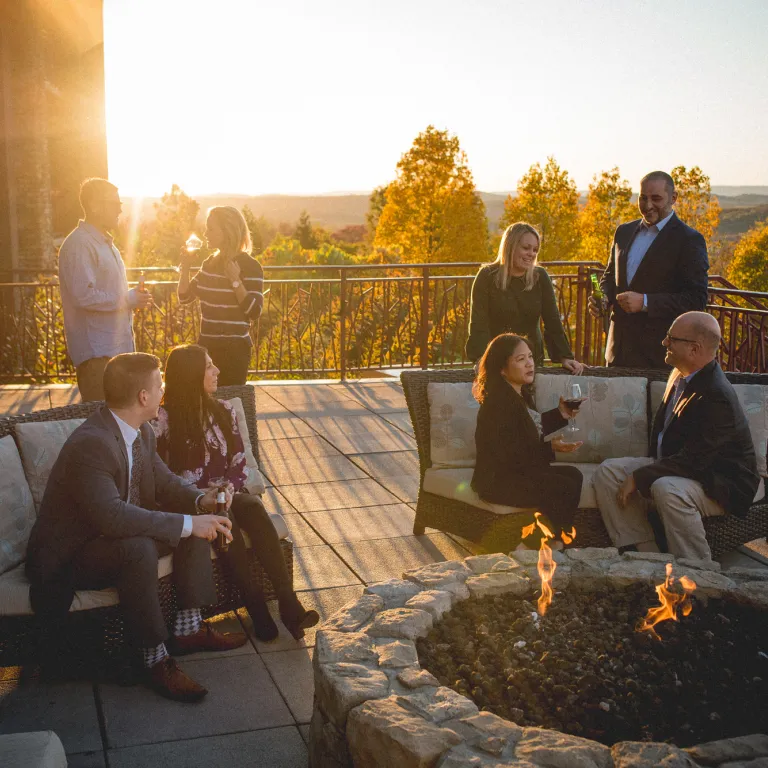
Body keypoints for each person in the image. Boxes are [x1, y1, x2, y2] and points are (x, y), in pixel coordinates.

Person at [25, 353, 247, 703]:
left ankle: (187, 629)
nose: (163, 390)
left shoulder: (140, 430)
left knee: (189, 524)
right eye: (159, 384)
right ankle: (154, 659)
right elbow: (112, 516)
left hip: (109, 535)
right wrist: (188, 522)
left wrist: (200, 502)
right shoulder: (93, 443)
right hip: (71, 553)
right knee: (144, 545)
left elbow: (165, 482)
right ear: (143, 396)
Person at [152, 344, 319, 642]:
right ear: (191, 375)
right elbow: (160, 474)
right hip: (190, 502)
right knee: (224, 515)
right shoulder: (162, 420)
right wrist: (205, 496)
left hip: (228, 493)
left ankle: (287, 601)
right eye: (209, 366)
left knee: (252, 505)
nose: (217, 371)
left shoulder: (225, 410)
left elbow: (239, 460)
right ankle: (255, 606)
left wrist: (228, 488)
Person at [593, 312, 759, 562]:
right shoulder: (680, 375)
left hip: (722, 481)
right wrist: (640, 473)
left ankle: (697, 572)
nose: (664, 343)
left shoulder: (716, 396)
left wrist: (639, 477)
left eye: (671, 338)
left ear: (694, 349)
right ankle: (646, 556)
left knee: (666, 488)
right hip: (686, 467)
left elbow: (696, 461)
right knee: (609, 472)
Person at [471, 333, 585, 548]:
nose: (529, 364)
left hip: (516, 473)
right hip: (498, 482)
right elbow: (509, 456)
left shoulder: (516, 394)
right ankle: (554, 543)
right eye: (520, 359)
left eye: (530, 357)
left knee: (573, 475)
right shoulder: (499, 403)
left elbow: (528, 429)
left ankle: (547, 539)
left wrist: (561, 413)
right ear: (502, 368)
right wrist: (549, 448)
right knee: (563, 485)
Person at [589, 171, 709, 369]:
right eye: (643, 198)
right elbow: (611, 276)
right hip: (617, 350)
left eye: (656, 198)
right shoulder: (623, 231)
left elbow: (697, 299)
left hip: (658, 355)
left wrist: (645, 302)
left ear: (674, 198)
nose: (648, 205)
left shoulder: (689, 240)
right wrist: (603, 297)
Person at [58, 178, 154, 401]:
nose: (120, 210)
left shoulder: (104, 244)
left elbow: (108, 293)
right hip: (96, 357)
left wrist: (134, 297)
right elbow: (84, 296)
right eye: (114, 205)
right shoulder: (80, 244)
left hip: (113, 354)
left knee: (120, 426)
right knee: (102, 426)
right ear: (94, 206)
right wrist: (128, 299)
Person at [466, 222, 585, 374]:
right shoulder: (486, 276)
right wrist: (481, 358)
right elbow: (478, 323)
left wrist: (565, 357)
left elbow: (552, 320)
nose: (532, 254)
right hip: (497, 360)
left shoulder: (540, 276)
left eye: (535, 249)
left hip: (530, 360)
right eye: (526, 248)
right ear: (510, 247)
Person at [177, 206, 264, 385]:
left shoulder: (251, 266)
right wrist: (185, 268)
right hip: (207, 348)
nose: (205, 233)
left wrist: (235, 281)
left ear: (227, 231)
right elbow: (185, 297)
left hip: (235, 351)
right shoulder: (209, 264)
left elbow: (254, 311)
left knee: (231, 402)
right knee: (207, 403)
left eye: (211, 229)